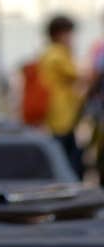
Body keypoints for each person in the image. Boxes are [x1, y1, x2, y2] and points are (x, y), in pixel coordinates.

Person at [38, 14, 84, 178]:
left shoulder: (47, 52)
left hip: (56, 110)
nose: (71, 38)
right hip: (61, 111)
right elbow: (78, 75)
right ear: (59, 34)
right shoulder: (58, 54)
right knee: (66, 153)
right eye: (69, 34)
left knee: (65, 149)